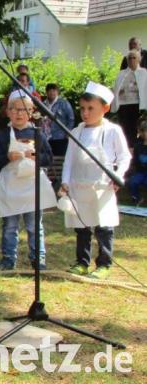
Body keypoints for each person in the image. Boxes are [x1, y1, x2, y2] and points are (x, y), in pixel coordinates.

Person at [62, 82, 132, 280]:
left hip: (102, 186)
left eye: (90, 108)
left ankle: (104, 263)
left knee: (104, 226)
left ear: (105, 108)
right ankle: (82, 262)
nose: (85, 113)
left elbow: (124, 157)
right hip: (79, 185)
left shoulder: (112, 131)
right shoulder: (76, 132)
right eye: (82, 108)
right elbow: (69, 159)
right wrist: (65, 181)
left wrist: (118, 175)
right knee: (82, 226)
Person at [0, 90, 56, 270]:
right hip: (11, 185)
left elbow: (48, 158)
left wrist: (34, 156)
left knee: (34, 225)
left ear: (32, 111)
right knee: (10, 225)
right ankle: (9, 258)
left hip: (32, 187)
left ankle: (38, 258)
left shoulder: (37, 134)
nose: (19, 113)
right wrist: (8, 157)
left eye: (24, 110)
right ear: (8, 111)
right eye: (15, 109)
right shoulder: (3, 136)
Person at [111, 49, 147, 148]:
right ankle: (127, 149)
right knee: (125, 129)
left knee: (137, 129)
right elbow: (117, 89)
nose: (131, 60)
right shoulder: (121, 73)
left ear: (139, 59)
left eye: (134, 58)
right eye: (129, 58)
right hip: (123, 105)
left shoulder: (144, 73)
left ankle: (137, 150)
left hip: (138, 105)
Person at [43, 83, 74, 157]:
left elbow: (71, 119)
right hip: (45, 137)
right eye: (50, 90)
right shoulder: (42, 104)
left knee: (59, 159)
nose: (52, 92)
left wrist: (68, 132)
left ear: (57, 92)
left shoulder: (64, 103)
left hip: (60, 137)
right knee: (47, 159)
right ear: (46, 92)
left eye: (54, 90)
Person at [127, 119, 147, 206]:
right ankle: (137, 198)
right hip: (140, 172)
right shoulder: (138, 146)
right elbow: (135, 161)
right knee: (132, 182)